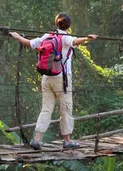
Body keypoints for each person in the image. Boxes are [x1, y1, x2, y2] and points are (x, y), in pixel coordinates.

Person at [10, 13, 97, 150]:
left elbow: (29, 43)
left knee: (46, 109)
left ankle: (37, 139)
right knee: (66, 108)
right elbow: (75, 42)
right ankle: (67, 140)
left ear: (56, 24)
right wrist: (87, 38)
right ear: (69, 26)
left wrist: (17, 36)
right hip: (62, 78)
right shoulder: (65, 37)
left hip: (46, 77)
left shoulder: (47, 36)